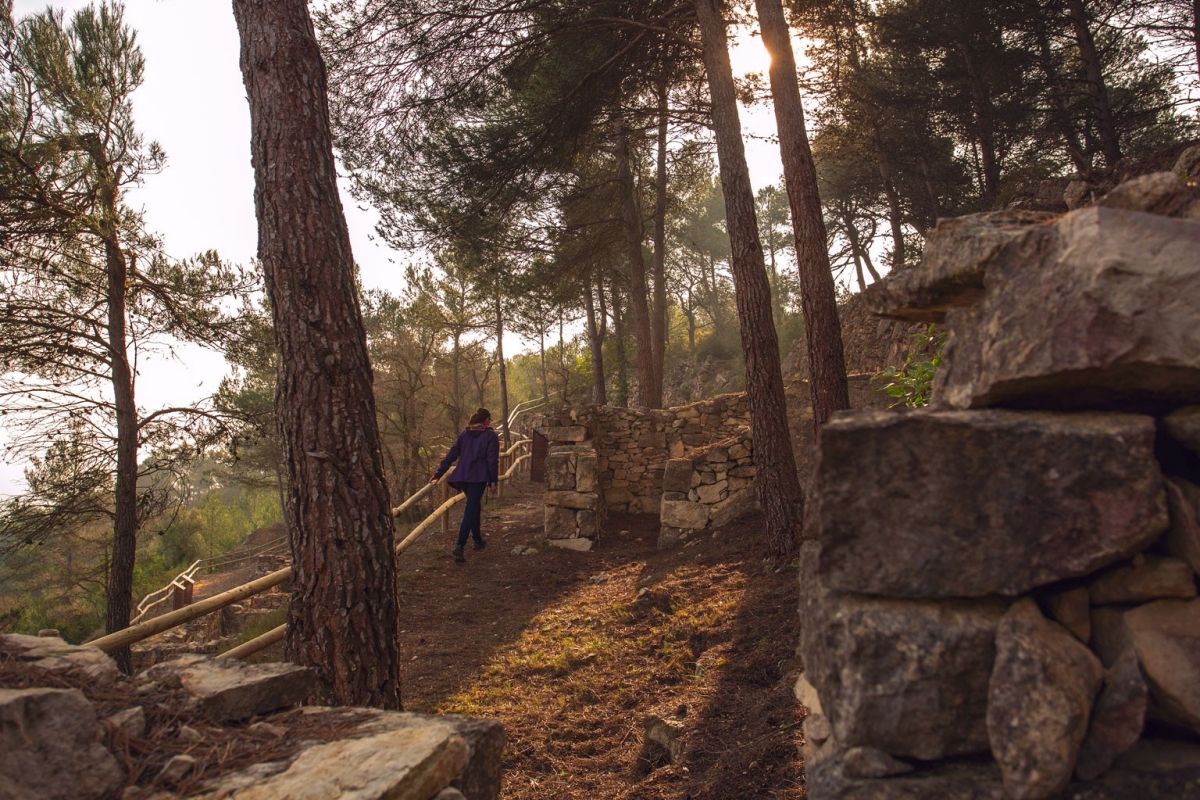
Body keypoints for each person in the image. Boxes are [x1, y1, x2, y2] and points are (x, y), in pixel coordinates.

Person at [431, 408, 500, 563]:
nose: (490, 422)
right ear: (486, 421)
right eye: (490, 419)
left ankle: (477, 540)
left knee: (474, 506)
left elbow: (451, 455)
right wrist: (493, 481)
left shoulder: (465, 434)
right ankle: (460, 545)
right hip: (478, 478)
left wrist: (438, 474)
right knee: (471, 508)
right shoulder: (490, 436)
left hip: (463, 476)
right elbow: (492, 460)